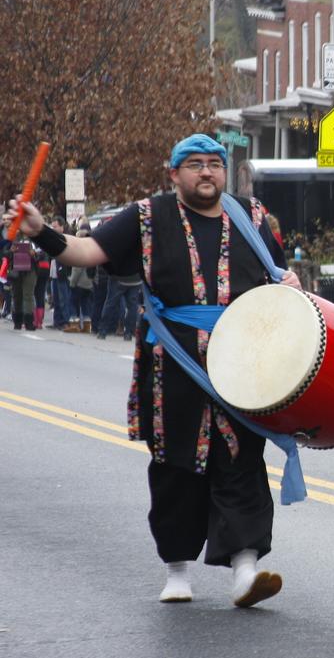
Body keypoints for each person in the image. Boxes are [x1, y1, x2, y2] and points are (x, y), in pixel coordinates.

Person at [2, 133, 301, 607]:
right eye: (195, 164)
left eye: (215, 164)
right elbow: (87, 252)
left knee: (242, 460)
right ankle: (177, 571)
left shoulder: (252, 216)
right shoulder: (146, 216)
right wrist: (41, 231)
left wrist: (290, 283)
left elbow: (279, 277)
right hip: (172, 365)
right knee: (175, 466)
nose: (207, 172)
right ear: (174, 174)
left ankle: (246, 570)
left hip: (242, 362)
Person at [48, 216, 72, 330]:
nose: (53, 229)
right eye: (52, 227)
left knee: (64, 298)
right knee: (56, 298)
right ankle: (57, 321)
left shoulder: (65, 238)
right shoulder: (52, 238)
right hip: (53, 271)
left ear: (62, 227)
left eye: (55, 227)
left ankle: (65, 321)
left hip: (62, 272)